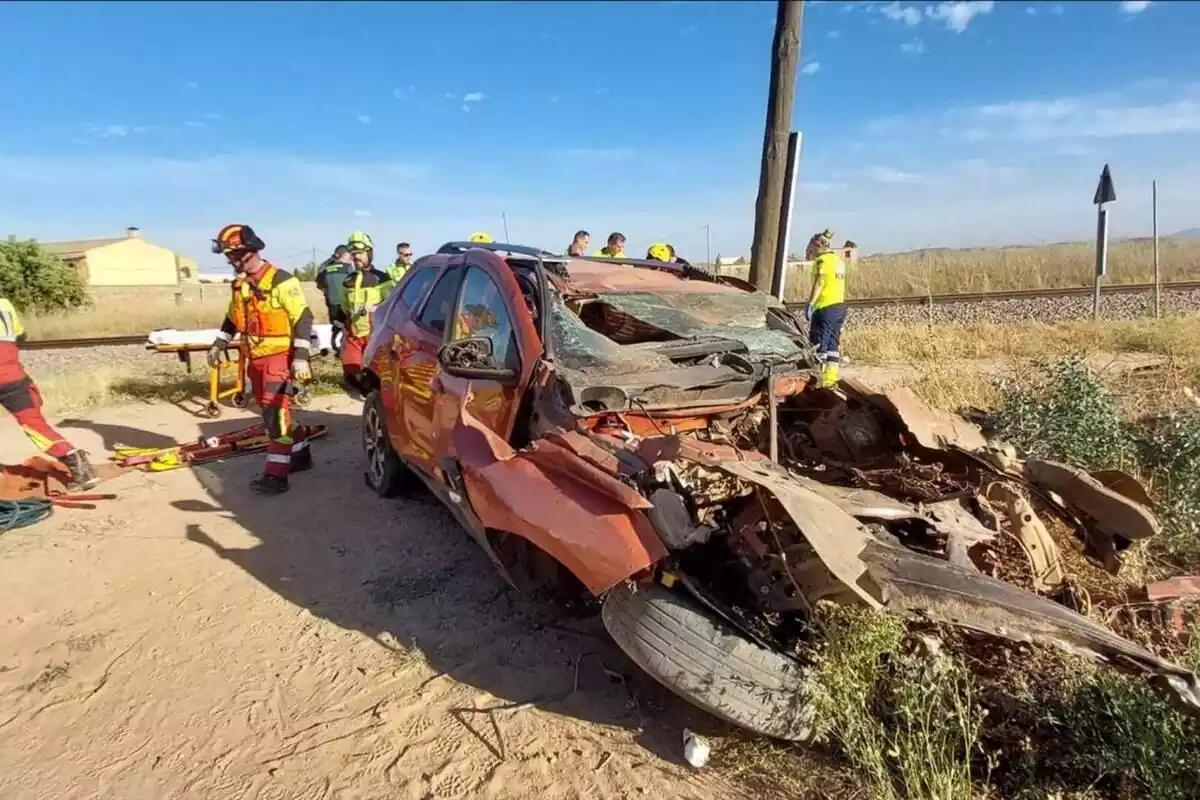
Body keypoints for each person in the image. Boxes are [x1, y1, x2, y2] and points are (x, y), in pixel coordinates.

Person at [207, 224, 315, 495]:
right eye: (228, 257)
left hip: (278, 359)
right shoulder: (241, 285)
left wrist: (301, 357)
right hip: (254, 360)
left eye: (234, 256)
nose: (231, 261)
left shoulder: (281, 281)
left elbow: (303, 316)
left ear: (250, 252)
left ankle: (276, 476)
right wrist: (219, 342)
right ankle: (300, 455)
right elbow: (233, 317)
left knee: (275, 414)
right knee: (273, 413)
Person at [0, 298, 99, 489]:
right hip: (13, 377)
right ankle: (75, 461)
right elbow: (21, 335)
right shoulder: (4, 303)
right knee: (34, 425)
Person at [340, 231, 390, 394]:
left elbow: (392, 304)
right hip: (354, 335)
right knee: (351, 372)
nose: (356, 257)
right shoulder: (348, 281)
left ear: (369, 253)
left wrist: (374, 308)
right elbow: (343, 307)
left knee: (377, 376)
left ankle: (375, 402)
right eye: (353, 254)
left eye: (360, 253)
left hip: (375, 335)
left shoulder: (382, 279)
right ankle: (367, 395)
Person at [803, 229, 847, 389]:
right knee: (832, 344)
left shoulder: (822, 261)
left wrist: (811, 303)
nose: (810, 251)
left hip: (825, 307)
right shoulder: (838, 260)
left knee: (819, 343)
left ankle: (817, 380)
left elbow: (820, 282)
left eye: (811, 247)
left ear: (817, 246)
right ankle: (830, 378)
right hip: (839, 306)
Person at [316, 244, 353, 353]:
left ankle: (335, 343)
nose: (351, 258)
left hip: (332, 302)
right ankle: (342, 347)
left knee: (336, 323)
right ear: (343, 256)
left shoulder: (326, 268)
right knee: (347, 325)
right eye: (349, 256)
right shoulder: (348, 268)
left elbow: (319, 282)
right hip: (345, 302)